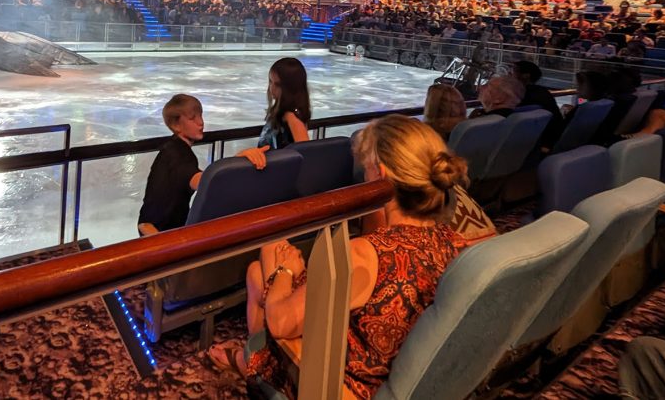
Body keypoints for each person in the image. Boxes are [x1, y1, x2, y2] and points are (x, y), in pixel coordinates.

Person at [209, 116, 468, 398]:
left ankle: (252, 365)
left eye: (366, 170)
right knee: (262, 266)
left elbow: (281, 324)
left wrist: (284, 272)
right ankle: (252, 358)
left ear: (380, 175)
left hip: (343, 384)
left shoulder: (367, 254)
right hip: (397, 368)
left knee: (269, 263)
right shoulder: (453, 242)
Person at [137, 94, 268, 236]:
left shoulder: (173, 148)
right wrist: (240, 159)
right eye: (193, 118)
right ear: (176, 125)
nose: (201, 123)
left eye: (200, 115)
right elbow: (206, 183)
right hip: (156, 234)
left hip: (160, 229)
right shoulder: (177, 154)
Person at [257, 57, 311, 149]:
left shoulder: (291, 117)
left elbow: (305, 152)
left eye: (277, 85)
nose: (272, 88)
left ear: (291, 88)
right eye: (270, 82)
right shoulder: (281, 112)